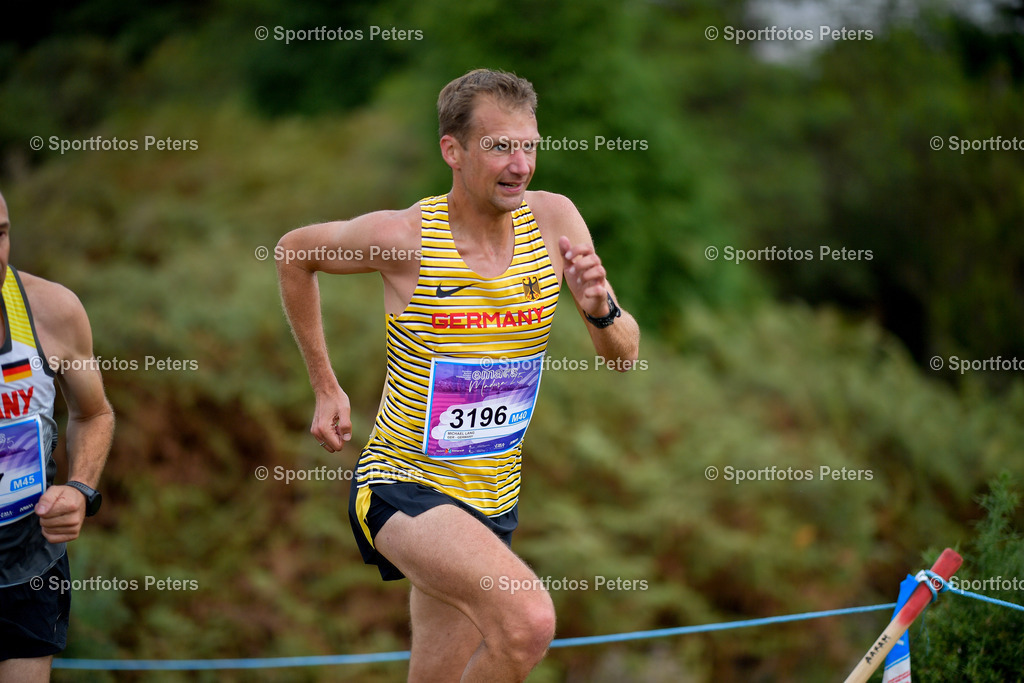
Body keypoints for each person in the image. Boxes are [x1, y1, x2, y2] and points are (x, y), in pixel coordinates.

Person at [277, 68, 639, 682]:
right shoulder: (404, 239)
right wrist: (325, 384)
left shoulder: (554, 221)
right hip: (402, 485)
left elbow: (624, 357)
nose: (520, 164)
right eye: (499, 146)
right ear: (454, 150)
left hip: (492, 499)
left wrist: (601, 307)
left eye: (529, 145)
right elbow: (294, 252)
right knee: (527, 622)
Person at [0, 190, 115, 682]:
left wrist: (80, 488)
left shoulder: (52, 311)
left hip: (28, 563)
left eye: (0, 234)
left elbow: (94, 414)